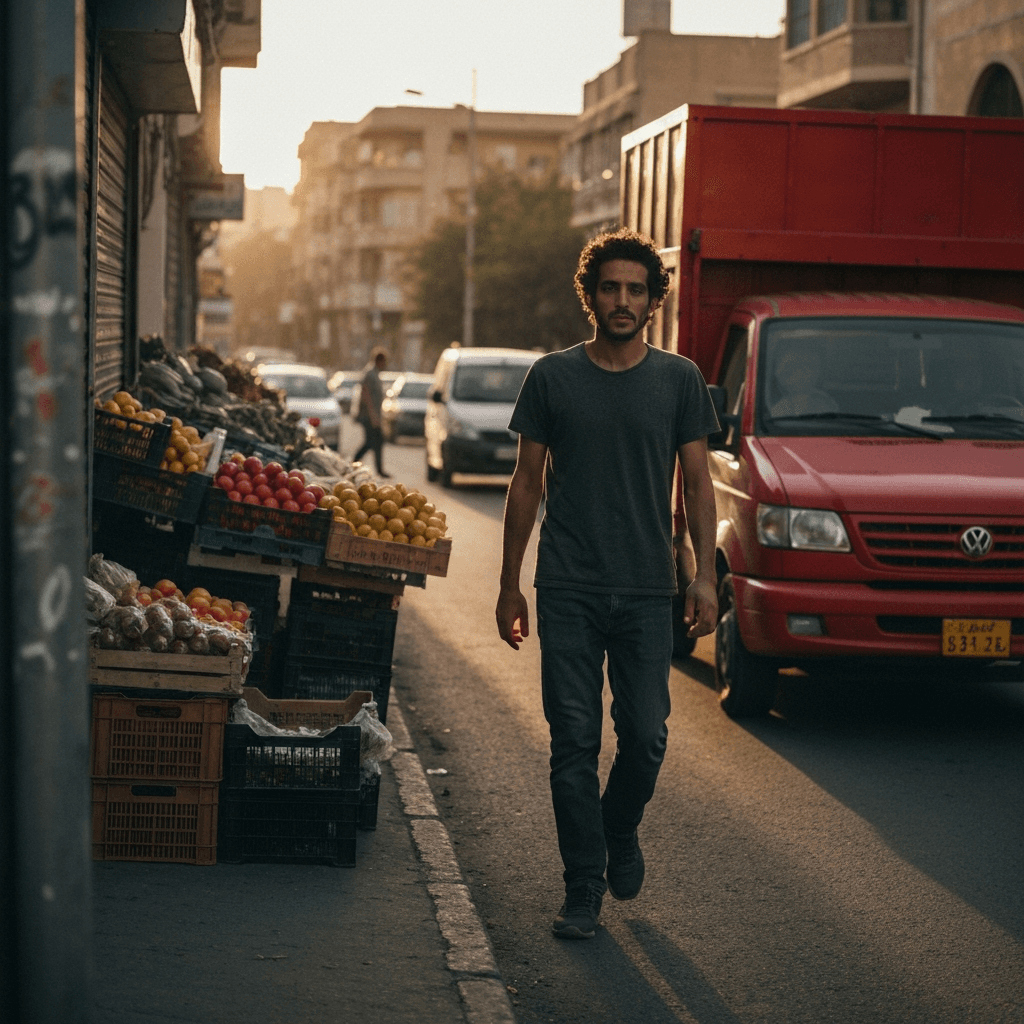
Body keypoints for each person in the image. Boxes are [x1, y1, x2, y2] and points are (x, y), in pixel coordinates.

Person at [495, 228, 720, 940]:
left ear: (653, 301)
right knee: (572, 745)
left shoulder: (679, 379)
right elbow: (526, 483)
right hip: (567, 587)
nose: (621, 300)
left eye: (635, 290)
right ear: (590, 296)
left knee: (647, 736)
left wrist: (704, 578)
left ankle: (618, 829)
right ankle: (582, 886)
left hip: (650, 590)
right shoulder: (552, 377)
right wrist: (510, 584)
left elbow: (699, 483)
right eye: (609, 288)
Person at [353, 346, 392, 478]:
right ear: (379, 360)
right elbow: (366, 394)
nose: (385, 365)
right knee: (371, 442)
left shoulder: (375, 373)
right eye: (384, 362)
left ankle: (379, 469)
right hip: (368, 416)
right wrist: (373, 416)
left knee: (376, 441)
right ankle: (354, 463)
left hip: (373, 415)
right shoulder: (370, 373)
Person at [768, 345, 838, 418]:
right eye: (804, 369)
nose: (811, 374)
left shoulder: (826, 401)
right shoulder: (780, 408)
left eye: (813, 368)